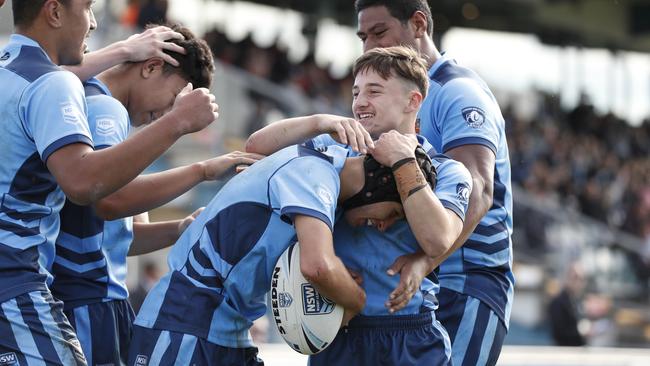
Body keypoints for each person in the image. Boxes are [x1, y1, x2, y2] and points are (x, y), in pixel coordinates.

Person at [0, 1, 216, 363]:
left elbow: (122, 231)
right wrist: (186, 139)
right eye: (87, 7)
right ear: (54, 12)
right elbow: (90, 187)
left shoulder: (11, 70)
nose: (94, 22)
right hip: (22, 281)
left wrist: (180, 227)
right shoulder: (64, 89)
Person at [49, 23, 261, 366]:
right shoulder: (105, 108)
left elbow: (119, 237)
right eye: (174, 98)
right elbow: (109, 202)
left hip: (96, 300)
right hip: (84, 300)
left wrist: (179, 228)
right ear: (151, 67)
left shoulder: (109, 113)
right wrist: (201, 168)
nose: (166, 113)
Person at [247, 46, 472, 365]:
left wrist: (402, 161)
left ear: (413, 101)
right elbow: (256, 147)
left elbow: (437, 239)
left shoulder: (448, 169)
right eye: (356, 92)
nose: (360, 102)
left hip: (410, 335)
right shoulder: (334, 149)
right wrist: (321, 120)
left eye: (374, 91)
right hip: (338, 332)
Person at [126, 138, 437, 365]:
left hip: (227, 331)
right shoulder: (316, 173)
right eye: (394, 213)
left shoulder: (323, 175)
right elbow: (317, 266)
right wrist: (354, 302)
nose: (385, 226)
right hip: (184, 325)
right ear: (381, 182)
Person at [354, 1, 514, 364]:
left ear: (418, 23)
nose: (370, 47)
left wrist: (424, 262)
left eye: (379, 33)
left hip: (466, 279)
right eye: (363, 37)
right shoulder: (383, 96)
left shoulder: (457, 93)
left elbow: (478, 190)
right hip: (417, 280)